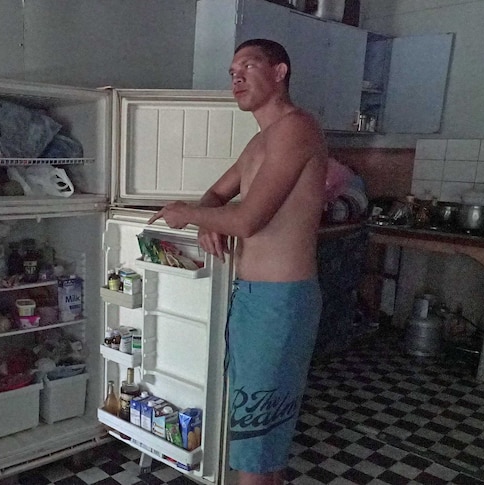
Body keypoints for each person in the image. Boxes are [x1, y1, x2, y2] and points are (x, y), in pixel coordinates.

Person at [147, 38, 326, 485]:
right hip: (250, 297)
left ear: (280, 71)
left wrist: (189, 215)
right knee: (253, 435)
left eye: (248, 66)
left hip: (281, 300)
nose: (237, 78)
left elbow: (247, 219)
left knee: (257, 436)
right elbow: (218, 196)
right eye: (232, 72)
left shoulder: (298, 128)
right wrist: (210, 218)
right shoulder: (258, 142)